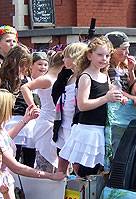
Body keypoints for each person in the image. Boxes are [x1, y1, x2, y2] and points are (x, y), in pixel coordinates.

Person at [59, 36, 122, 177]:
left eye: (107, 55)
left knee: (98, 171)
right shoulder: (85, 76)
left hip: (101, 129)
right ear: (89, 55)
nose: (104, 58)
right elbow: (82, 105)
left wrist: (120, 97)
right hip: (87, 130)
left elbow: (110, 92)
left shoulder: (104, 76)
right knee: (85, 171)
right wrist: (106, 98)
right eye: (99, 55)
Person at [0, 45, 37, 168]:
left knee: (30, 159)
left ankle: (28, 182)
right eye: (21, 65)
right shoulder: (0, 78)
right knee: (11, 156)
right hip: (8, 121)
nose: (23, 68)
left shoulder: (27, 79)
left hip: (27, 122)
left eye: (25, 65)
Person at [21, 51, 64, 172]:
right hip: (46, 123)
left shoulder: (61, 79)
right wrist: (32, 105)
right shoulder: (48, 79)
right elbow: (25, 87)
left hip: (57, 123)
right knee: (45, 164)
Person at [52, 42, 88, 173]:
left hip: (75, 122)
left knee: (77, 160)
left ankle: (80, 186)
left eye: (66, 56)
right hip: (63, 120)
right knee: (62, 155)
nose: (63, 59)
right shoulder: (68, 75)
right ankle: (61, 183)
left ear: (74, 57)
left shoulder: (83, 76)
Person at [105, 31, 136, 104]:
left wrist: (131, 71)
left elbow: (133, 88)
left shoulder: (124, 67)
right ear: (112, 50)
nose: (127, 52)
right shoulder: (105, 68)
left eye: (128, 48)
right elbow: (110, 88)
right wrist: (131, 97)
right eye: (123, 49)